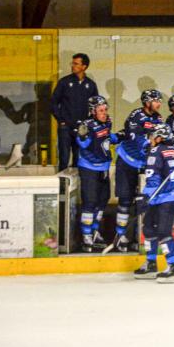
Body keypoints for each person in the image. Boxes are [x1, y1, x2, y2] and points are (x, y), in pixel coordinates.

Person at [133, 123, 174, 283]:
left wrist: (144, 196)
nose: (149, 140)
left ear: (159, 138)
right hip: (164, 197)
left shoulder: (155, 152)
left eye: (151, 136)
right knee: (149, 229)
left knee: (163, 232)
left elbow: (153, 179)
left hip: (166, 198)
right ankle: (150, 264)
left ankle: (173, 268)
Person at [112, 89, 163, 252]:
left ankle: (135, 236)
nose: (159, 104)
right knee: (125, 200)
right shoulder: (136, 115)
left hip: (143, 165)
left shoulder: (158, 118)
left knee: (141, 201)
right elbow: (133, 136)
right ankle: (120, 236)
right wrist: (148, 144)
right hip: (127, 163)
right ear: (147, 102)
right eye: (156, 101)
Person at [76, 96, 119, 252]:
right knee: (90, 201)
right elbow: (83, 143)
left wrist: (117, 137)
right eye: (101, 110)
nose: (104, 113)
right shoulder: (87, 125)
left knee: (103, 199)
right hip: (89, 168)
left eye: (105, 110)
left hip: (104, 167)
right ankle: (86, 234)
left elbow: (106, 138)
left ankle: (94, 229)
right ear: (92, 111)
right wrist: (82, 136)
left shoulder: (107, 122)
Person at [51, 53, 99, 171]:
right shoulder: (64, 82)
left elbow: (95, 106)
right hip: (66, 126)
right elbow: (53, 102)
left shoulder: (91, 85)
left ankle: (77, 186)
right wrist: (61, 120)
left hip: (82, 127)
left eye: (76, 64)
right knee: (64, 157)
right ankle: (62, 186)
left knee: (79, 158)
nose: (73, 66)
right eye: (72, 63)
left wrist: (90, 124)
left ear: (84, 66)